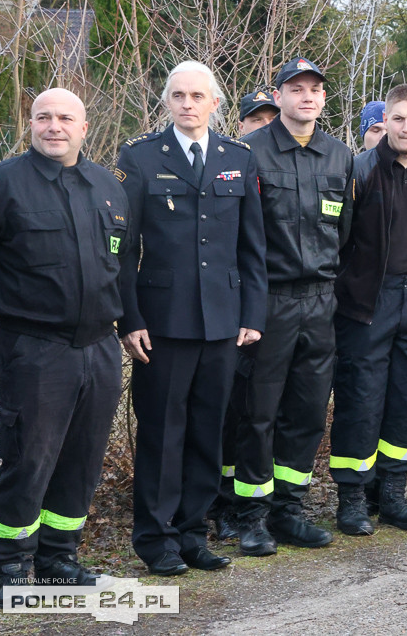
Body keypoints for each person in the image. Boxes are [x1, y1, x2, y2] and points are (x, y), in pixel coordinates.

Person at [118, 61, 267, 576]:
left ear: (215, 103)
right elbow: (124, 249)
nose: (187, 103)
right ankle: (155, 539)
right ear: (166, 101)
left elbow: (253, 247)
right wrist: (128, 318)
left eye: (197, 96)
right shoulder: (138, 158)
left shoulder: (237, 158)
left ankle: (191, 533)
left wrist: (253, 312)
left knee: (208, 430)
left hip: (222, 322)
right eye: (178, 94)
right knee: (162, 432)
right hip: (161, 322)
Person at [0, 89, 130, 605]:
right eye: (43, 117)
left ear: (85, 126)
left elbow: (125, 264)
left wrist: (130, 325)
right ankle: (8, 564)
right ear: (29, 124)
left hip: (99, 347)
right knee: (28, 458)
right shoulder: (3, 184)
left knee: (82, 459)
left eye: (66, 117)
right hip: (33, 348)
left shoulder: (108, 187)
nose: (54, 126)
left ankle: (58, 559)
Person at [233, 57, 353, 555]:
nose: (306, 96)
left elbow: (344, 231)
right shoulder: (249, 153)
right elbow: (238, 236)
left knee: (306, 411)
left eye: (314, 90)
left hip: (321, 301)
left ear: (324, 99)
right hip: (270, 301)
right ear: (277, 96)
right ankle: (252, 515)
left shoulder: (339, 156)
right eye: (296, 88)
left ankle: (290, 509)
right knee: (258, 411)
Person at [330, 84, 407, 534]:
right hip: (367, 301)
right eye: (398, 119)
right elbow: (340, 240)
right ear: (386, 123)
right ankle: (352, 499)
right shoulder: (360, 171)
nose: (406, 128)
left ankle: (393, 495)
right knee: (361, 399)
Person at [207, 86, 282, 542]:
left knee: (261, 410)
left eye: (270, 119)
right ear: (240, 124)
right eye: (256, 119)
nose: (264, 126)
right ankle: (220, 500)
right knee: (227, 410)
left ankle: (251, 502)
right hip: (228, 305)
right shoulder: (228, 162)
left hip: (273, 301)